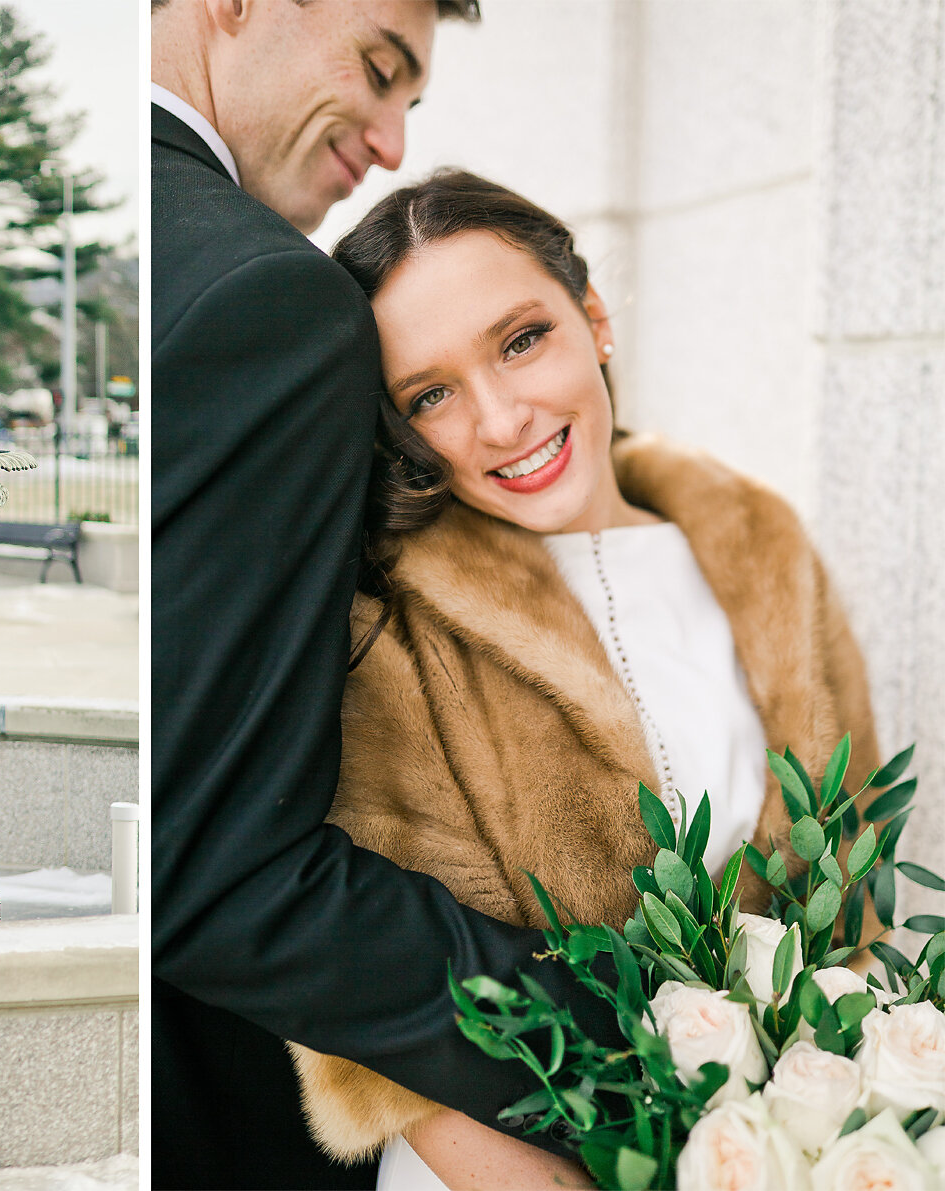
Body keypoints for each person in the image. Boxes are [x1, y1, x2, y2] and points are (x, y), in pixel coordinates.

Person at [284, 170, 881, 1189]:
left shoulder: (762, 550)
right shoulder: (385, 619)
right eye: (429, 395)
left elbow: (852, 891)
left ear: (593, 318)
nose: (502, 418)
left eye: (521, 341)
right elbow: (370, 994)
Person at [152, 2, 622, 1186]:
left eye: (521, 340)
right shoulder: (267, 297)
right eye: (376, 69)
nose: (390, 140)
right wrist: (647, 1052)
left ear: (594, 321)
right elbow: (216, 863)